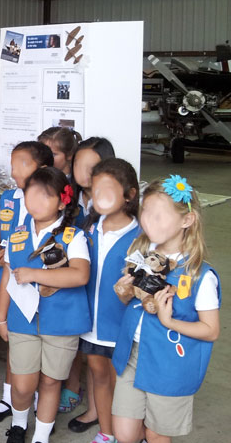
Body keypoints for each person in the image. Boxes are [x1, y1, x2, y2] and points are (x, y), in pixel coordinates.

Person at [111, 176, 221, 443]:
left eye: (159, 216)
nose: (148, 221)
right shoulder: (142, 253)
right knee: (125, 434)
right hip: (133, 355)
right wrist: (125, 293)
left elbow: (211, 331)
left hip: (170, 364)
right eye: (146, 212)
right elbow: (136, 302)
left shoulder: (200, 275)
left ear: (187, 221)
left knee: (157, 434)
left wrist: (169, 321)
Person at [0, 167, 91, 443]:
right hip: (22, 319)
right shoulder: (17, 235)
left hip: (63, 324)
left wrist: (35, 274)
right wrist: (0, 316)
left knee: (51, 382)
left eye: (44, 196)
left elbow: (80, 274)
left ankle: (41, 436)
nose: (35, 202)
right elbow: (7, 278)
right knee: (23, 384)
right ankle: (19, 423)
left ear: (62, 202)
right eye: (30, 194)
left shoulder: (73, 237)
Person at [67, 159, 140, 443]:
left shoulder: (141, 238)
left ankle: (133, 433)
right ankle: (106, 432)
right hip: (90, 322)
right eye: (95, 190)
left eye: (108, 189)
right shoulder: (86, 231)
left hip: (122, 326)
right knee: (99, 374)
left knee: (125, 384)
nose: (100, 196)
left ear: (129, 195)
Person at [0, 140, 54, 425]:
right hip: (10, 281)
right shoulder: (9, 198)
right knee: (14, 339)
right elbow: (2, 235)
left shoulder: (53, 203)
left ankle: (36, 398)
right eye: (12, 165)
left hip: (42, 284)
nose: (15, 171)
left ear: (44, 168)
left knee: (41, 342)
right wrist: (0, 252)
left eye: (22, 164)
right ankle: (8, 397)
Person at [62, 136, 116, 411]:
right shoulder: (70, 200)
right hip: (73, 283)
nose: (82, 171)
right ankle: (72, 387)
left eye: (91, 165)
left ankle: (99, 409)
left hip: (101, 286)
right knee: (73, 342)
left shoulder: (111, 204)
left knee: (98, 351)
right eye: (77, 164)